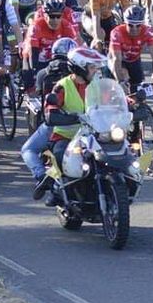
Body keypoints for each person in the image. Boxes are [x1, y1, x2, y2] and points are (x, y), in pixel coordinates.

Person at [21, 45, 99, 199]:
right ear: (81, 68)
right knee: (60, 156)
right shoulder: (61, 86)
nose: (95, 70)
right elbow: (50, 113)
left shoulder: (97, 83)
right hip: (67, 137)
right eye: (92, 67)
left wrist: (131, 103)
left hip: (94, 136)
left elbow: (115, 99)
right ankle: (58, 189)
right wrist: (73, 118)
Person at [108, 4, 153, 95]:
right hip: (118, 61)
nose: (134, 29)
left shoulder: (148, 31)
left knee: (139, 92)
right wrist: (120, 81)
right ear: (125, 23)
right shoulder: (117, 33)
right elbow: (117, 59)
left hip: (134, 60)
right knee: (124, 77)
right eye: (131, 25)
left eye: (138, 25)